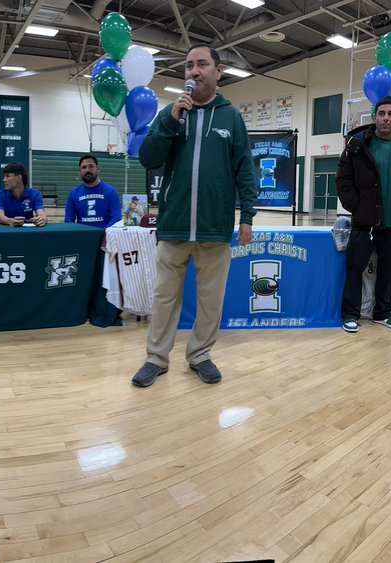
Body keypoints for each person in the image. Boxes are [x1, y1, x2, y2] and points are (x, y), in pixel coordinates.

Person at [131, 44, 257, 388]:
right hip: (173, 225)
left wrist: (247, 214)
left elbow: (245, 168)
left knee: (210, 299)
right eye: (189, 66)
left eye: (202, 64)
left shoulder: (231, 116)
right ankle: (156, 358)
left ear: (218, 72)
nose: (194, 71)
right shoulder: (171, 112)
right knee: (164, 298)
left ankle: (200, 355)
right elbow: (147, 157)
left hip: (215, 229)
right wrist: (170, 123)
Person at [336, 94, 391, 334]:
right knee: (354, 270)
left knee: (387, 272)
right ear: (374, 117)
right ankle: (350, 314)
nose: (385, 118)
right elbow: (342, 180)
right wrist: (357, 207)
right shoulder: (357, 145)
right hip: (364, 224)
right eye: (381, 113)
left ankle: (383, 313)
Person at [64, 154, 121, 231]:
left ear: (97, 169)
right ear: (80, 171)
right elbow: (68, 220)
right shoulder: (73, 194)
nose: (87, 170)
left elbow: (116, 218)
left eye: (91, 166)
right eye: (84, 167)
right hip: (82, 238)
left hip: (105, 239)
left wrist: (104, 234)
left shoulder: (111, 192)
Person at [0, 162, 47, 227]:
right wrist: (11, 221)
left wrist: (42, 219)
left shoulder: (35, 194)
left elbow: (41, 213)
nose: (4, 180)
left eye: (7, 176)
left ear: (18, 178)